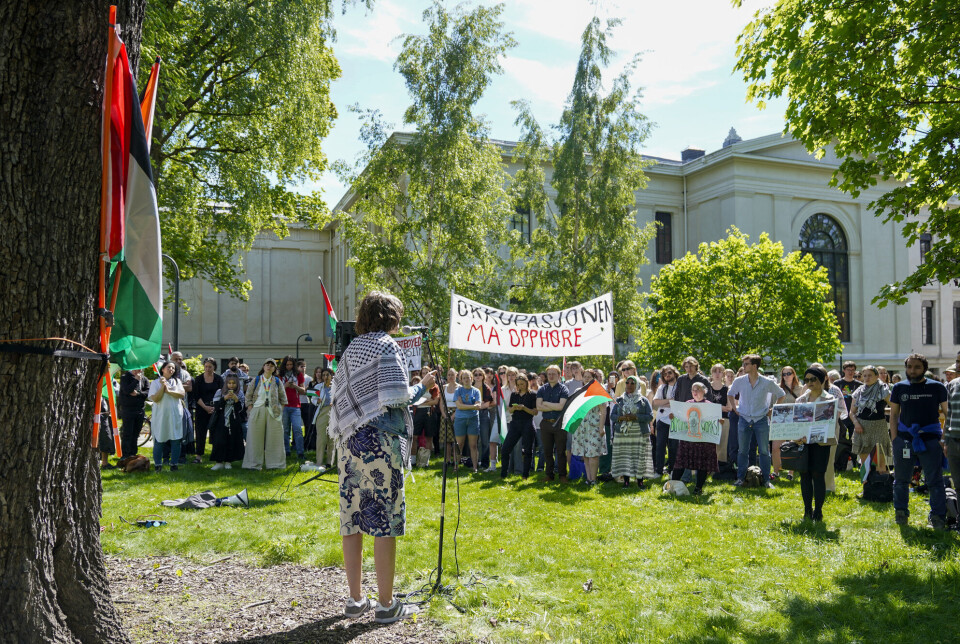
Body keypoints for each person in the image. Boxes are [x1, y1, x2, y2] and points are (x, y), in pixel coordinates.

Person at [327, 291, 436, 623]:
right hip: (379, 444)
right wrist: (425, 386)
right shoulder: (386, 345)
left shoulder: (352, 349)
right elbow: (396, 398)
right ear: (389, 315)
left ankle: (355, 599)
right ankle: (387, 606)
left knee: (353, 519)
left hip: (349, 444)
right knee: (384, 522)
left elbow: (345, 398)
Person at [889, 353, 949, 530]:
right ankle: (901, 513)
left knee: (935, 481)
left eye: (916, 367)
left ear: (924, 369)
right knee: (901, 480)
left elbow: (948, 413)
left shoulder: (937, 387)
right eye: (909, 367)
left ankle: (938, 517)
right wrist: (895, 439)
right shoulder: (899, 388)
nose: (912, 370)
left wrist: (943, 439)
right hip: (904, 440)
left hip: (931, 440)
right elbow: (893, 415)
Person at [728, 354, 785, 489]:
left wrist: (773, 409)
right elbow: (730, 393)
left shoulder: (767, 382)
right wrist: (735, 408)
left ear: (755, 366)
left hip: (761, 419)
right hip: (744, 418)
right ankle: (741, 478)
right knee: (742, 451)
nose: (744, 366)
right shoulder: (739, 381)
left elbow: (781, 394)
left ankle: (766, 480)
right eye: (744, 364)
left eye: (746, 364)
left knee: (764, 451)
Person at [793, 367, 839, 521]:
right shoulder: (800, 400)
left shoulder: (830, 400)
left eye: (813, 379)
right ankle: (807, 510)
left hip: (821, 444)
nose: (810, 382)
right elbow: (796, 424)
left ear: (823, 380)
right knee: (804, 475)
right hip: (804, 444)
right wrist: (796, 437)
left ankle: (818, 511)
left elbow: (831, 425)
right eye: (807, 380)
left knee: (818, 476)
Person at [671, 382, 719, 495]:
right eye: (693, 390)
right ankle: (672, 486)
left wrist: (718, 421)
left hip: (703, 442)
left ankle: (698, 488)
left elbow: (713, 423)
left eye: (697, 389)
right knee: (680, 462)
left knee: (701, 464)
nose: (695, 392)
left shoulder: (710, 405)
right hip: (687, 440)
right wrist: (673, 417)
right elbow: (680, 419)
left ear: (704, 391)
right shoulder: (687, 404)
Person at [610, 376, 656, 488]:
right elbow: (612, 416)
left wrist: (635, 417)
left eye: (632, 383)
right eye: (627, 383)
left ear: (637, 386)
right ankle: (626, 481)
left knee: (639, 456)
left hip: (639, 433)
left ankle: (640, 481)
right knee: (625, 456)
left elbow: (650, 416)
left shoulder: (643, 401)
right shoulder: (619, 400)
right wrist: (622, 418)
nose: (629, 385)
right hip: (623, 434)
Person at [243, 359, 286, 470]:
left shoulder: (277, 381)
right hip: (257, 409)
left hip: (274, 411)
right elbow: (248, 396)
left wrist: (280, 410)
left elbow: (283, 398)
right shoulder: (256, 380)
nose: (269, 367)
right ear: (263, 366)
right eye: (267, 365)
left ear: (274, 369)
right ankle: (253, 464)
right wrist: (251, 409)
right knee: (254, 438)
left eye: (272, 366)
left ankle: (275, 464)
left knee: (275, 439)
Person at [850, 365, 892, 474]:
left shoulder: (883, 390)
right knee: (864, 463)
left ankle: (881, 488)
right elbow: (852, 412)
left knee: (880, 463)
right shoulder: (859, 391)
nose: (867, 378)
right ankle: (866, 488)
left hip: (879, 427)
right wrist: (856, 424)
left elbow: (895, 407)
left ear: (877, 376)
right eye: (864, 376)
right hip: (862, 427)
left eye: (870, 375)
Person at [571, 369, 608, 485]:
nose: (586, 379)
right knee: (585, 455)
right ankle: (589, 478)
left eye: (589, 377)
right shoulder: (578, 391)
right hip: (581, 426)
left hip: (594, 425)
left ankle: (594, 479)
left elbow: (603, 410)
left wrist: (601, 428)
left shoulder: (599, 391)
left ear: (594, 378)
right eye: (585, 376)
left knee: (593, 454)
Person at [148, 361, 186, 472]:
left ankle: (174, 464)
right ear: (163, 369)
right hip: (161, 415)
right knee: (159, 439)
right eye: (169, 367)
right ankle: (158, 465)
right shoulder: (155, 383)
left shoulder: (177, 381)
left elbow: (181, 394)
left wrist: (168, 390)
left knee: (176, 439)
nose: (171, 370)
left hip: (175, 414)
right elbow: (155, 398)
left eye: (173, 368)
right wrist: (162, 387)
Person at [536, 365, 570, 482]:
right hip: (545, 424)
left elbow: (561, 407)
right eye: (549, 374)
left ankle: (562, 475)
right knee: (547, 451)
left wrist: (546, 403)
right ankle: (549, 475)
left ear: (559, 375)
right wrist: (553, 406)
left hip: (559, 424)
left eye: (553, 374)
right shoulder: (542, 389)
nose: (551, 376)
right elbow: (538, 407)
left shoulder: (563, 389)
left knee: (560, 451)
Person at [501, 373, 538, 479]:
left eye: (522, 384)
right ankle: (504, 474)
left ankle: (525, 474)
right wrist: (514, 408)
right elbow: (510, 409)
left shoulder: (532, 395)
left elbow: (535, 412)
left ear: (527, 383)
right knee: (505, 449)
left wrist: (524, 408)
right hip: (515, 423)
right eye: (518, 384)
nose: (520, 386)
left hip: (527, 424)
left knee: (527, 451)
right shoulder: (514, 395)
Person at [209, 373, 246, 469]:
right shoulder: (219, 392)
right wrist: (224, 399)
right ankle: (219, 462)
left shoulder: (240, 393)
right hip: (221, 420)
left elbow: (240, 409)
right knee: (219, 440)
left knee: (231, 440)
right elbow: (216, 407)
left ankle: (228, 462)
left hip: (234, 420)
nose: (231, 385)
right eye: (229, 383)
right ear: (226, 383)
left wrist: (236, 400)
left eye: (234, 383)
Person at [772, 366, 802, 479]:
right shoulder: (778, 389)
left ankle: (791, 472)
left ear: (793, 374)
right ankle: (776, 471)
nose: (786, 376)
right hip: (780, 421)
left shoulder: (801, 389)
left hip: (795, 421)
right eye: (784, 374)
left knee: (793, 446)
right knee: (775, 447)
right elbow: (773, 405)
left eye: (789, 373)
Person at [193, 358, 223, 464]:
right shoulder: (199, 379)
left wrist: (215, 407)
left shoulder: (219, 379)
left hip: (215, 409)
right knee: (200, 433)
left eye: (210, 366)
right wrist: (205, 407)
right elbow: (196, 395)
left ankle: (216, 455)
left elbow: (221, 394)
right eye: (206, 366)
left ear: (214, 367)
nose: (208, 368)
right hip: (201, 409)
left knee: (216, 433)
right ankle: (198, 456)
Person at [278, 355, 307, 462]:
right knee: (285, 430)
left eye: (291, 364)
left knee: (298, 430)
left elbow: (303, 390)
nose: (289, 366)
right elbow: (276, 391)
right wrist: (285, 386)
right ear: (284, 365)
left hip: (295, 406)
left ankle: (300, 452)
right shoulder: (280, 375)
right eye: (287, 364)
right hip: (284, 405)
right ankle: (286, 451)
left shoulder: (299, 375)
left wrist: (295, 386)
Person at [652, 365, 679, 474]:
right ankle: (659, 470)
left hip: (676, 419)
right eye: (665, 374)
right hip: (662, 420)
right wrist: (670, 401)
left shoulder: (680, 387)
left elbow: (678, 403)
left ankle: (672, 469)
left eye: (669, 373)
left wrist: (665, 402)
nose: (667, 375)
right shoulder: (662, 388)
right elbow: (656, 402)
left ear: (674, 373)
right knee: (660, 446)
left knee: (673, 446)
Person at [454, 370, 482, 473]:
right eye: (464, 378)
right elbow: (459, 406)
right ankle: (456, 467)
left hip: (473, 419)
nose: (466, 379)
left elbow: (478, 406)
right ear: (461, 379)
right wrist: (472, 406)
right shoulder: (458, 391)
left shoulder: (476, 391)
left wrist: (464, 406)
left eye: (468, 377)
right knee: (459, 445)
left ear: (472, 378)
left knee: (473, 445)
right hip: (460, 419)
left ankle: (475, 467)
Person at [117, 368, 149, 459]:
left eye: (141, 368)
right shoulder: (125, 377)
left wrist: (138, 394)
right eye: (138, 368)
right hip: (128, 409)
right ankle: (126, 455)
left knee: (136, 433)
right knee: (127, 433)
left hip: (139, 409)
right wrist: (135, 380)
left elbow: (147, 392)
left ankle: (133, 453)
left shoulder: (145, 379)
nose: (140, 370)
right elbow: (127, 390)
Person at [311, 367, 335, 467]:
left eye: (327, 375)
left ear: (331, 376)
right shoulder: (318, 386)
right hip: (322, 413)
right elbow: (312, 398)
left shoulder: (336, 387)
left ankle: (330, 462)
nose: (325, 377)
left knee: (332, 438)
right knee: (321, 438)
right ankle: (319, 461)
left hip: (333, 414)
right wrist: (317, 401)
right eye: (323, 375)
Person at [945, 370, 960, 491]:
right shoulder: (953, 384)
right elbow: (948, 415)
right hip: (953, 442)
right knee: (958, 485)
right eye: (957, 362)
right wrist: (946, 440)